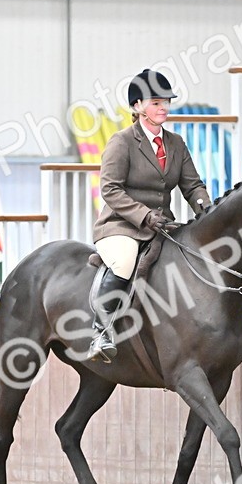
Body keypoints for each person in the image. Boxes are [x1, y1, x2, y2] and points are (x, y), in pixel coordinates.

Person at [86, 68, 212, 362]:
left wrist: (207, 211)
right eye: (156, 102)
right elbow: (110, 189)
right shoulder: (122, 142)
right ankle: (101, 332)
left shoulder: (176, 143)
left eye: (166, 101)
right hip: (122, 226)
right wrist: (143, 216)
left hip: (163, 226)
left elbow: (192, 185)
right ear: (137, 106)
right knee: (125, 261)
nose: (163, 107)